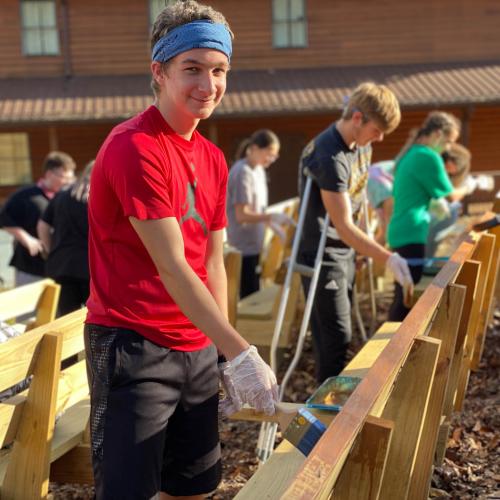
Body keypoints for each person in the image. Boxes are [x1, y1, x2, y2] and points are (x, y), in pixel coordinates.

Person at [85, 2, 278, 498]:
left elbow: (212, 261)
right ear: (160, 70)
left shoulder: (212, 157)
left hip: (195, 346)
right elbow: (171, 267)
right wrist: (242, 351)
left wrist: (223, 350)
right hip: (133, 346)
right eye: (191, 68)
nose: (207, 84)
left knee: (195, 489)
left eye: (218, 71)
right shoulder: (135, 147)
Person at [297, 82, 412, 383]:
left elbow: (357, 202)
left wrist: (364, 247)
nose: (381, 138)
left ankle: (332, 405)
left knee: (341, 335)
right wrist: (387, 258)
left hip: (344, 251)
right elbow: (343, 224)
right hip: (322, 256)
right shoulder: (329, 156)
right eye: (377, 130)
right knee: (335, 336)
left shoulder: (362, 146)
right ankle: (327, 417)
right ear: (358, 118)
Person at [387, 111, 461, 321]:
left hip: (399, 229)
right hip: (412, 231)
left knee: (402, 292)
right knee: (406, 299)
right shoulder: (428, 156)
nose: (447, 148)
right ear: (437, 134)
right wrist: (472, 186)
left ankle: (391, 343)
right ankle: (392, 348)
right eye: (448, 142)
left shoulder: (410, 153)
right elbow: (451, 196)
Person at [226, 129, 292, 297]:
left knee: (254, 292)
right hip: (242, 249)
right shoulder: (242, 172)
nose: (271, 160)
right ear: (255, 148)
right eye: (269, 154)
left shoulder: (259, 170)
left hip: (255, 245)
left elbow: (258, 210)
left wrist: (272, 224)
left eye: (274, 156)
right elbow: (242, 215)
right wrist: (271, 217)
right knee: (247, 298)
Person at [0, 151, 76, 286]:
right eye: (64, 178)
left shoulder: (68, 198)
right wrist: (26, 239)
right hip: (30, 267)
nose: (68, 182)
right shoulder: (26, 196)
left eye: (71, 178)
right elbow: (3, 218)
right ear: (49, 174)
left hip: (61, 268)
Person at [37, 161, 94, 316]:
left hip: (61, 265)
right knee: (95, 318)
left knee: (66, 318)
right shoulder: (100, 196)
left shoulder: (62, 195)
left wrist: (50, 250)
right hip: (91, 268)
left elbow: (43, 225)